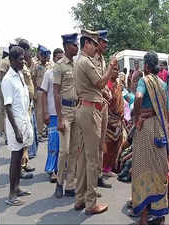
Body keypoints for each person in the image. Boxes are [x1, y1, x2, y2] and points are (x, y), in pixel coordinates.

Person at [73, 29, 118, 214]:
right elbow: (100, 83)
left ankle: (80, 198)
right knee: (91, 159)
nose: (97, 46)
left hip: (85, 109)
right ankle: (91, 203)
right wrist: (110, 69)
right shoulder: (85, 61)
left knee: (83, 157)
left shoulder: (81, 61)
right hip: (90, 111)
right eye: (94, 43)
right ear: (87, 44)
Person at [132, 51, 169, 224]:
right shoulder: (162, 84)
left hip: (146, 129)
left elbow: (138, 97)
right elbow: (165, 110)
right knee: (158, 170)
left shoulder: (143, 81)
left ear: (146, 66)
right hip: (160, 129)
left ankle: (144, 217)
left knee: (142, 169)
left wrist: (137, 115)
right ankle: (160, 215)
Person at [1, 46, 33, 206]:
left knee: (20, 156)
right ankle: (11, 195)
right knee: (15, 159)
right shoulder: (7, 80)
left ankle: (18, 187)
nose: (23, 61)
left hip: (24, 121)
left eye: (23, 58)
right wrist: (16, 130)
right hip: (16, 125)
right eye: (20, 59)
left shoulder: (19, 75)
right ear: (12, 60)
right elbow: (7, 107)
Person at [53, 33, 79, 198]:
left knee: (74, 150)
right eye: (74, 45)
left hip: (77, 111)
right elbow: (56, 93)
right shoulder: (59, 66)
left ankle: (70, 185)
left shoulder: (76, 65)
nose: (77, 47)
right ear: (67, 46)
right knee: (64, 151)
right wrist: (60, 117)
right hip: (65, 111)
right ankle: (59, 182)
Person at [94, 29, 117, 186]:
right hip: (94, 105)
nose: (105, 45)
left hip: (103, 105)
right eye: (103, 42)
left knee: (101, 142)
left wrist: (107, 91)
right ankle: (92, 178)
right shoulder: (93, 60)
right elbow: (98, 82)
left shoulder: (102, 60)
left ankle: (98, 175)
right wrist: (105, 90)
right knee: (94, 143)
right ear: (97, 43)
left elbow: (105, 83)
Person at [41, 48, 62, 183]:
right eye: (58, 57)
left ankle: (60, 169)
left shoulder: (65, 73)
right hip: (52, 114)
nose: (60, 60)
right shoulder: (48, 74)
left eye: (62, 57)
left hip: (63, 113)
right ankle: (51, 170)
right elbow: (43, 93)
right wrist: (45, 112)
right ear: (54, 58)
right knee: (53, 143)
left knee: (63, 144)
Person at [18, 39, 36, 178]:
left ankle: (25, 163)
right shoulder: (18, 67)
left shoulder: (25, 65)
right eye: (28, 50)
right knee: (23, 138)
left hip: (28, 105)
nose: (30, 52)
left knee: (27, 138)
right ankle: (20, 168)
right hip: (22, 107)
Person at [32, 44, 54, 141]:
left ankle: (47, 131)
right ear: (40, 55)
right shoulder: (36, 66)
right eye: (43, 55)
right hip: (40, 91)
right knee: (40, 113)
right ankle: (39, 133)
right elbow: (33, 79)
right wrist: (34, 93)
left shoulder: (51, 65)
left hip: (49, 92)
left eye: (46, 56)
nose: (45, 58)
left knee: (49, 111)